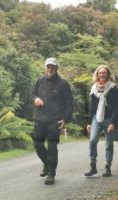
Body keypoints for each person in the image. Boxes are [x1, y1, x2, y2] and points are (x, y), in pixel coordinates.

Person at [30, 57, 73, 185]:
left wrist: (65, 119)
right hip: (39, 118)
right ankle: (47, 164)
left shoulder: (63, 84)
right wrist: (35, 99)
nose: (50, 69)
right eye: (48, 66)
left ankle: (51, 174)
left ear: (56, 69)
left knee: (52, 145)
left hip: (55, 120)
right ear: (45, 67)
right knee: (37, 144)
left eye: (53, 67)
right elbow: (31, 94)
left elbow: (69, 104)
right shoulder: (39, 81)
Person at [85, 65, 118, 177]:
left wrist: (113, 123)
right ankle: (93, 166)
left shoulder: (113, 87)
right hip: (96, 118)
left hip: (109, 118)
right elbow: (91, 106)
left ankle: (107, 167)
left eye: (104, 73)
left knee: (108, 144)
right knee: (92, 140)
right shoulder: (94, 88)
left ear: (108, 74)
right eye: (100, 73)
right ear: (97, 74)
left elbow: (116, 107)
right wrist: (89, 122)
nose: (102, 75)